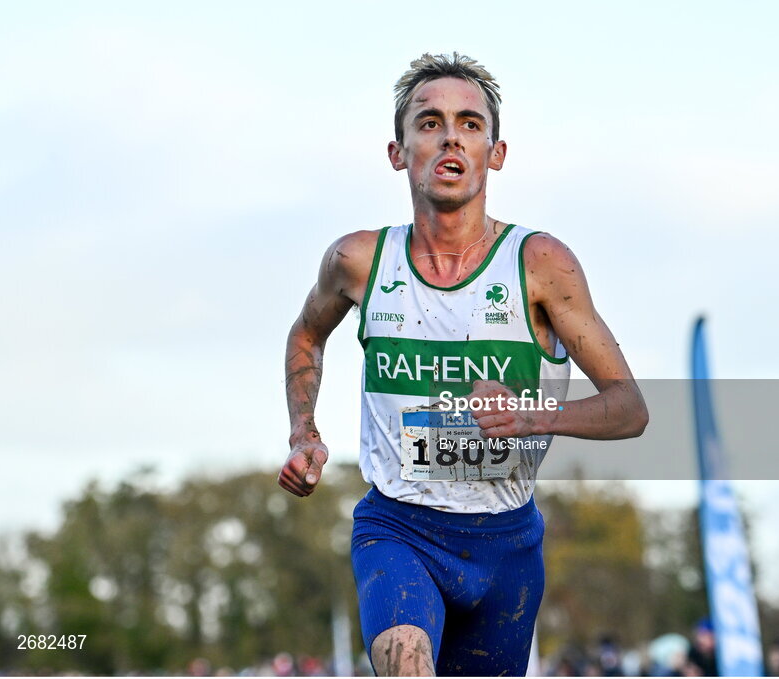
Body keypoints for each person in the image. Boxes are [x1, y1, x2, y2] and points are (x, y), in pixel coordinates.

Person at [278, 52, 648, 676]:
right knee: (408, 663)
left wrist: (531, 416)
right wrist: (303, 431)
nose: (451, 136)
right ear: (398, 152)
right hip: (399, 527)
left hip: (506, 545)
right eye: (430, 122)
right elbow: (307, 336)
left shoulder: (539, 264)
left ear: (495, 153)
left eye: (470, 124)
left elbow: (629, 408)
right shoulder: (358, 262)